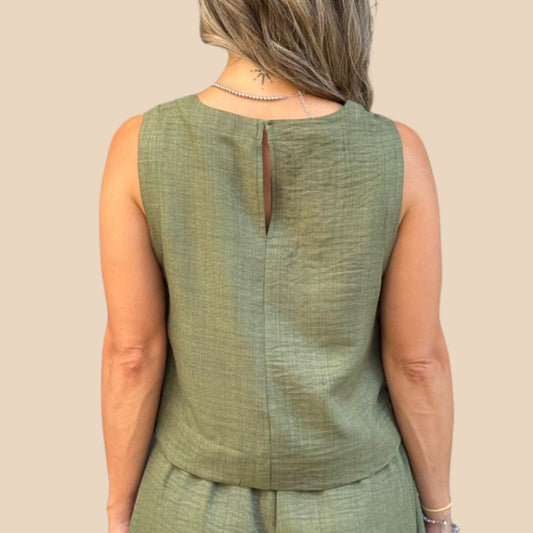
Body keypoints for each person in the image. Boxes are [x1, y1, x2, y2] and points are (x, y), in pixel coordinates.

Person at [99, 1, 459, 532]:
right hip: (357, 504)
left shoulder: (139, 145)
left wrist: (118, 510)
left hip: (190, 504)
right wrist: (439, 515)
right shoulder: (397, 153)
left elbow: (132, 356)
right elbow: (418, 363)